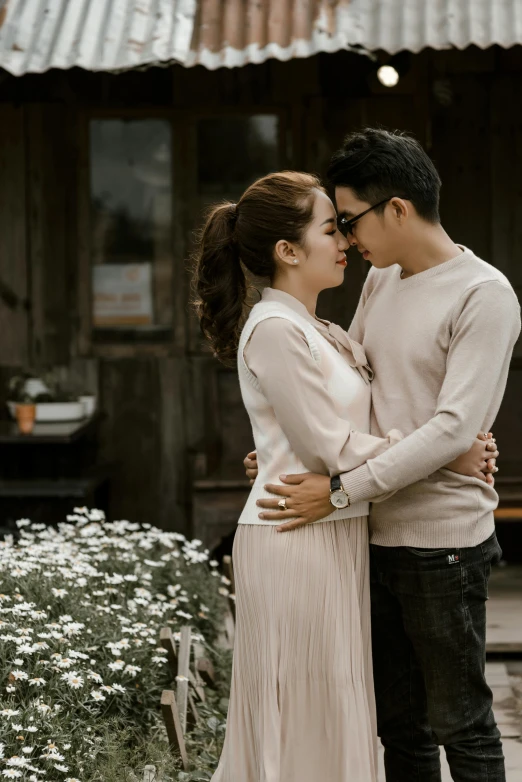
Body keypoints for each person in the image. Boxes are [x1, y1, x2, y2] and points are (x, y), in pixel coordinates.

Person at [193, 170, 499, 782]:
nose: (345, 244)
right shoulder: (278, 330)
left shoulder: (319, 328)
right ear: (287, 251)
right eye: (331, 229)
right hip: (295, 535)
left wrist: (275, 448)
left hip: (334, 527)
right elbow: (331, 445)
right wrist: (446, 451)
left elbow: (319, 430)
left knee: (338, 706)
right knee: (308, 712)